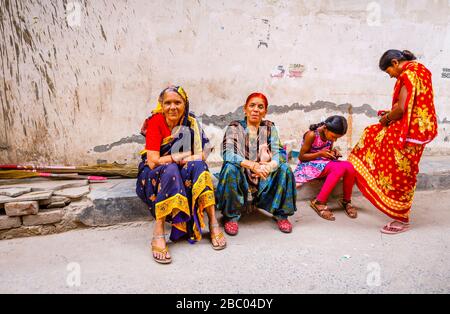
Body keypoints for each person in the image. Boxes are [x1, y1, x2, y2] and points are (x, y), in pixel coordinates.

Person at [349, 50, 438, 234]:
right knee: (405, 170)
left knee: (398, 171)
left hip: (407, 134)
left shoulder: (407, 75)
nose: (390, 76)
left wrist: (387, 119)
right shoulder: (421, 70)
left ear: (395, 62)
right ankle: (397, 211)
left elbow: (402, 108)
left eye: (389, 71)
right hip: (420, 131)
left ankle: (401, 219)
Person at [136, 85, 226, 264]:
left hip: (181, 166)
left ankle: (213, 223)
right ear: (161, 104)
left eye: (177, 102)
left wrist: (188, 157)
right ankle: (159, 231)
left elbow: (203, 153)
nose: (172, 107)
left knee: (199, 166)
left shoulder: (191, 122)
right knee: (171, 170)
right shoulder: (155, 122)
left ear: (185, 104)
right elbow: (153, 161)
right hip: (154, 173)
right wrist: (176, 157)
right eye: (167, 103)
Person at [216, 92, 297, 235]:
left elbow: (279, 152)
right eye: (252, 105)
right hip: (243, 171)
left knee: (285, 168)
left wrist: (269, 165)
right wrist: (252, 165)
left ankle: (281, 214)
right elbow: (227, 153)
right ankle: (231, 216)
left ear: (265, 112)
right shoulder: (235, 127)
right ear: (245, 109)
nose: (256, 109)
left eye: (260, 107)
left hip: (263, 174)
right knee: (229, 168)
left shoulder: (270, 127)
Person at [294, 115, 358, 221]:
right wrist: (320, 153)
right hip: (308, 165)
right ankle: (319, 202)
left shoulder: (329, 136)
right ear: (325, 128)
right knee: (338, 168)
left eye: (337, 138)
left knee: (349, 166)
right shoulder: (311, 135)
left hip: (322, 163)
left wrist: (333, 153)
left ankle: (346, 200)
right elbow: (302, 157)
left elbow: (327, 151)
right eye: (334, 137)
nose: (335, 140)